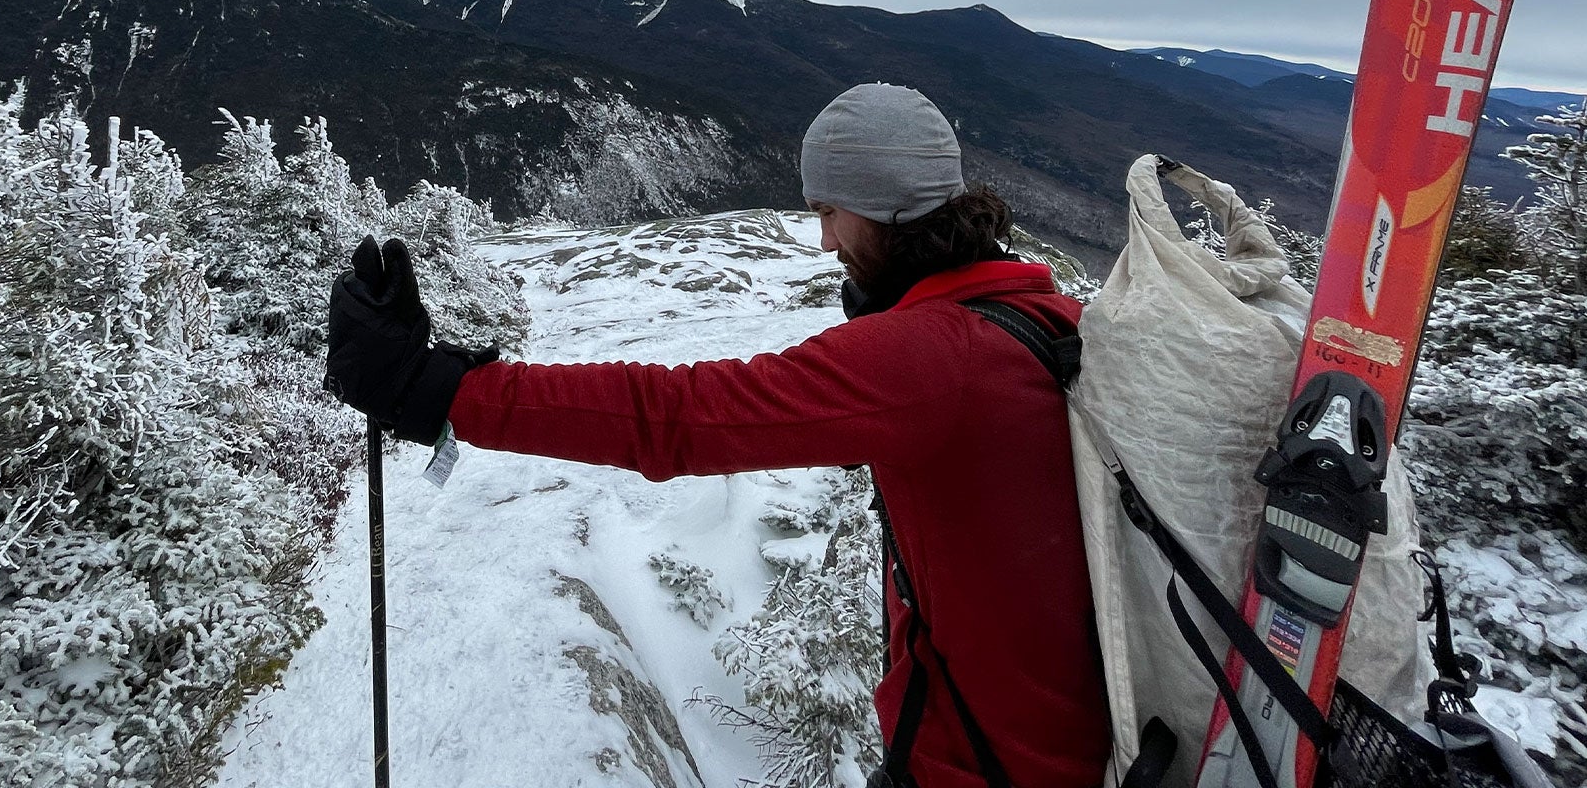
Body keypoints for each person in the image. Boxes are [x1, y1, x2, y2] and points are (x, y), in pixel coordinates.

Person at [325, 83, 1108, 788]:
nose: (826, 241)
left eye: (830, 212)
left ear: (885, 210)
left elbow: (677, 416)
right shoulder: (1045, 317)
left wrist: (436, 390)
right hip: (1063, 749)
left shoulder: (932, 360)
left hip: (985, 767)